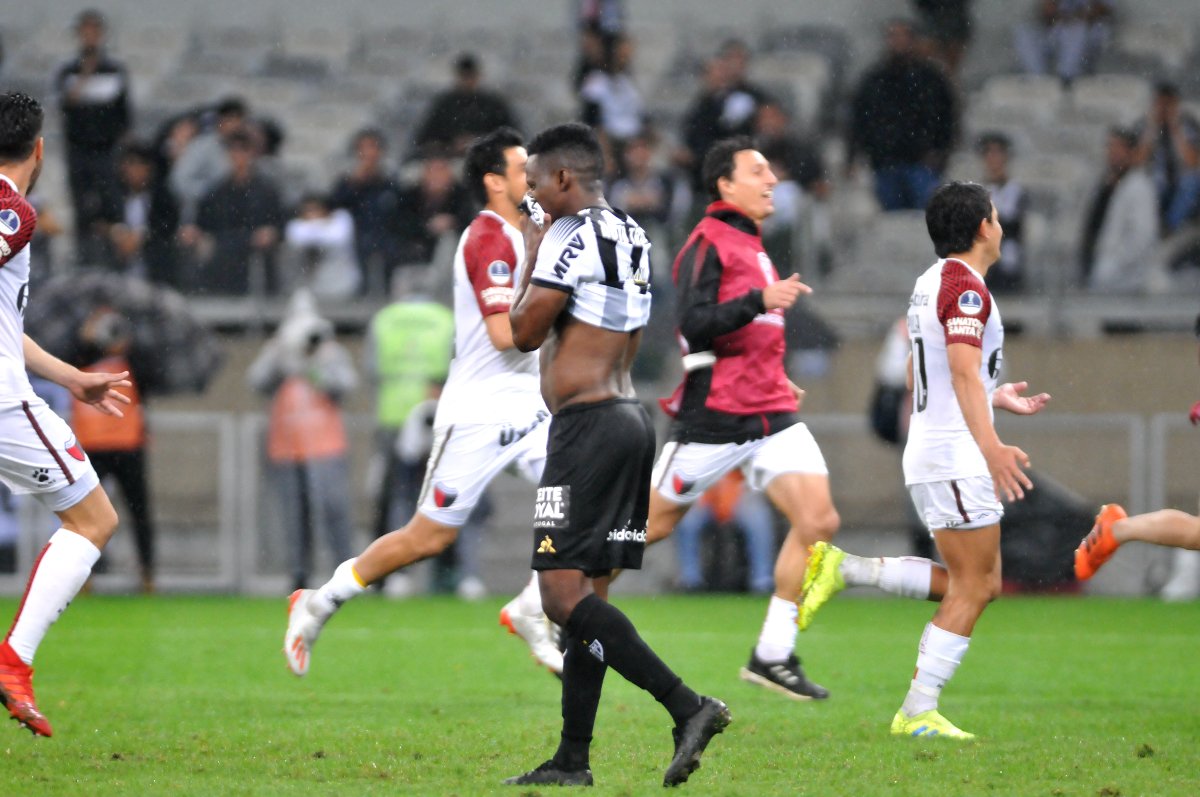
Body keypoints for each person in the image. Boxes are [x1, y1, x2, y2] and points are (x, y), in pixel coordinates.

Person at [284, 127, 563, 679]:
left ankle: (534, 602)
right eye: (521, 169)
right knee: (428, 536)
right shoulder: (487, 239)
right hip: (480, 408)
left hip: (530, 403)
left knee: (580, 486)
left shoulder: (535, 232)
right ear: (493, 180)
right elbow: (508, 336)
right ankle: (321, 599)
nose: (531, 178)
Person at [503, 122, 729, 788]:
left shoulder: (568, 234)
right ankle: (574, 756)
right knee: (589, 596)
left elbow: (522, 332)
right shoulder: (629, 230)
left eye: (538, 183)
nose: (535, 197)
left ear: (564, 178)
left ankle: (687, 705)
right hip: (627, 417)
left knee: (560, 593)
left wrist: (531, 248)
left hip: (588, 428)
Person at [803, 181, 1052, 740]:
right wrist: (991, 448)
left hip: (938, 448)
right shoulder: (967, 290)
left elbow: (941, 372)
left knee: (975, 582)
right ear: (984, 227)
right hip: (955, 454)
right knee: (977, 586)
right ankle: (917, 710)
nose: (1001, 224)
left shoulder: (931, 281)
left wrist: (996, 392)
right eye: (995, 215)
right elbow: (960, 371)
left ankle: (850, 570)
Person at [647, 137, 833, 701]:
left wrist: (774, 373)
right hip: (717, 415)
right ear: (725, 185)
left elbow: (752, 334)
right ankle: (555, 597)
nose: (772, 178)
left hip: (769, 410)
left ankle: (772, 654)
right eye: (757, 171)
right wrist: (760, 301)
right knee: (647, 528)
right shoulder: (707, 240)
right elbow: (693, 324)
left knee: (818, 521)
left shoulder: (753, 245)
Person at [0, 91, 132, 737]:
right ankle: (13, 662)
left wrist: (72, 375)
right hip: (2, 404)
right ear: (41, 150)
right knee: (93, 518)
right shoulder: (12, 209)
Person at [248, 293, 357, 592]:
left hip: (326, 446)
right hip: (287, 447)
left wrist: (315, 368)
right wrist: (281, 358)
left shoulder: (330, 351)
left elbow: (347, 384)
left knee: (334, 511)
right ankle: (299, 574)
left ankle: (344, 572)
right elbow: (255, 380)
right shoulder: (279, 351)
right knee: (294, 516)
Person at [70, 309, 156, 593]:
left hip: (128, 445)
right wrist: (86, 337)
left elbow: (149, 374)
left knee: (139, 512)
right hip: (92, 448)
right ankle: (84, 575)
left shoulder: (132, 361)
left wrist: (127, 344)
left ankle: (147, 573)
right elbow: (67, 359)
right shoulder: (81, 358)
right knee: (86, 515)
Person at [847, 19, 958, 211]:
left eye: (903, 36)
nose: (899, 42)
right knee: (891, 223)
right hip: (885, 164)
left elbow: (947, 117)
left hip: (923, 163)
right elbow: (858, 120)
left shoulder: (931, 80)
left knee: (926, 219)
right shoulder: (873, 81)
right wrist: (854, 156)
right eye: (894, 36)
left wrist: (940, 151)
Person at [53, 9, 131, 265]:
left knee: (112, 207)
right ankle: (84, 262)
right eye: (85, 32)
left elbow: (124, 116)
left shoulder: (115, 71)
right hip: (78, 151)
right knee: (82, 209)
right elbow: (64, 107)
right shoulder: (68, 72)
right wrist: (85, 76)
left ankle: (115, 262)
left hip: (106, 150)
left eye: (94, 32)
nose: (90, 37)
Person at [180, 130, 286, 295]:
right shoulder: (216, 193)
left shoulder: (267, 192)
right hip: (223, 267)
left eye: (243, 150)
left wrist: (272, 233)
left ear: (252, 154)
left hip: (257, 269)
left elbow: (280, 224)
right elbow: (203, 226)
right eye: (233, 150)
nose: (239, 156)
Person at [1080, 127, 1164, 294]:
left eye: (1118, 148)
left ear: (1131, 152)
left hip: (1126, 284)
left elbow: (1142, 237)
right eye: (1110, 147)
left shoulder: (1139, 187)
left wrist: (1114, 265)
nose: (1113, 153)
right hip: (1102, 279)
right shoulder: (1105, 186)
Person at [328, 129, 404, 290]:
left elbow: (398, 213)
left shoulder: (390, 184)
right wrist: (355, 183)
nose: (368, 154)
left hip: (386, 240)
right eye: (363, 149)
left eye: (373, 148)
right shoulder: (347, 184)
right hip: (355, 241)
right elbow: (334, 208)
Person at [102, 140, 181, 286]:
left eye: (138, 164)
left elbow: (168, 226)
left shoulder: (161, 197)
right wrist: (117, 233)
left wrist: (142, 237)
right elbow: (98, 222)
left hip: (156, 274)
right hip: (120, 274)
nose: (132, 171)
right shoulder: (114, 197)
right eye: (128, 164)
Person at [412, 54, 520, 158]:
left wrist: (479, 142)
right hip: (449, 162)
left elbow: (510, 136)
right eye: (464, 76)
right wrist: (450, 145)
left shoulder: (493, 104)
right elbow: (427, 139)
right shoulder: (444, 104)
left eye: (470, 76)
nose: (468, 81)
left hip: (486, 160)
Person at [1133, 81, 1200, 233]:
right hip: (1156, 182)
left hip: (1181, 182)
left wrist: (1176, 129)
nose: (1164, 109)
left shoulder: (1188, 124)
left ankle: (1170, 227)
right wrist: (1151, 130)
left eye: (1168, 104)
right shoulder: (1144, 125)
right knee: (1152, 184)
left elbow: (1193, 161)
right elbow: (1137, 161)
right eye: (1160, 103)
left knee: (1193, 181)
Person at [977, 132, 1029, 293]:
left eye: (998, 153)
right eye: (989, 153)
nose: (994, 159)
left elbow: (1013, 227)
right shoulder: (977, 192)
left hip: (1008, 261)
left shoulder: (1016, 191)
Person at [282, 193, 360, 300]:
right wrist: (321, 227)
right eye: (307, 211)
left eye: (315, 209)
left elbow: (338, 239)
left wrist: (312, 229)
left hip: (341, 283)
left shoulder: (342, 219)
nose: (312, 214)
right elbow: (296, 238)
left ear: (326, 210)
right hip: (312, 286)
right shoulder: (295, 225)